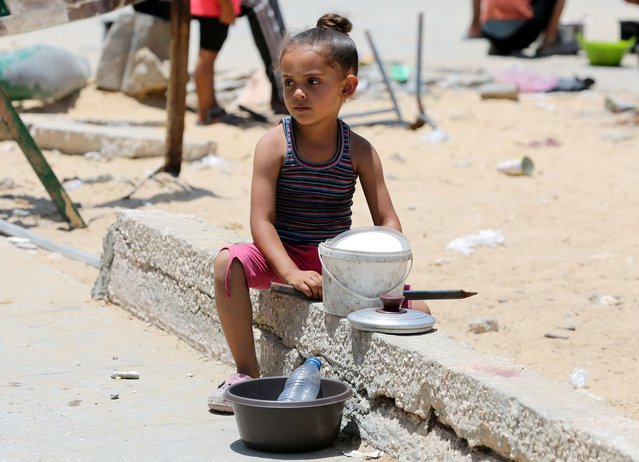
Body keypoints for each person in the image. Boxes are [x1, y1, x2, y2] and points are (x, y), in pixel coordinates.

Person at [208, 13, 428, 413]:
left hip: (334, 261)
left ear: (347, 87)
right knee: (227, 264)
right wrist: (289, 272)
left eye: (313, 83)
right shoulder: (274, 144)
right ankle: (245, 373)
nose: (298, 95)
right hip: (282, 253)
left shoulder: (359, 150)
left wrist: (381, 273)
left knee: (421, 310)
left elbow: (388, 223)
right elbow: (261, 221)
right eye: (289, 83)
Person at [191, 0, 242, 125]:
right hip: (215, 8)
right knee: (206, 59)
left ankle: (211, 110)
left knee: (207, 59)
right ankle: (206, 113)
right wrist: (226, 5)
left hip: (213, 7)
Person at [467, 0, 577, 57]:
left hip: (490, 35)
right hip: (519, 36)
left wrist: (475, 26)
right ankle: (549, 42)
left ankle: (481, 32)